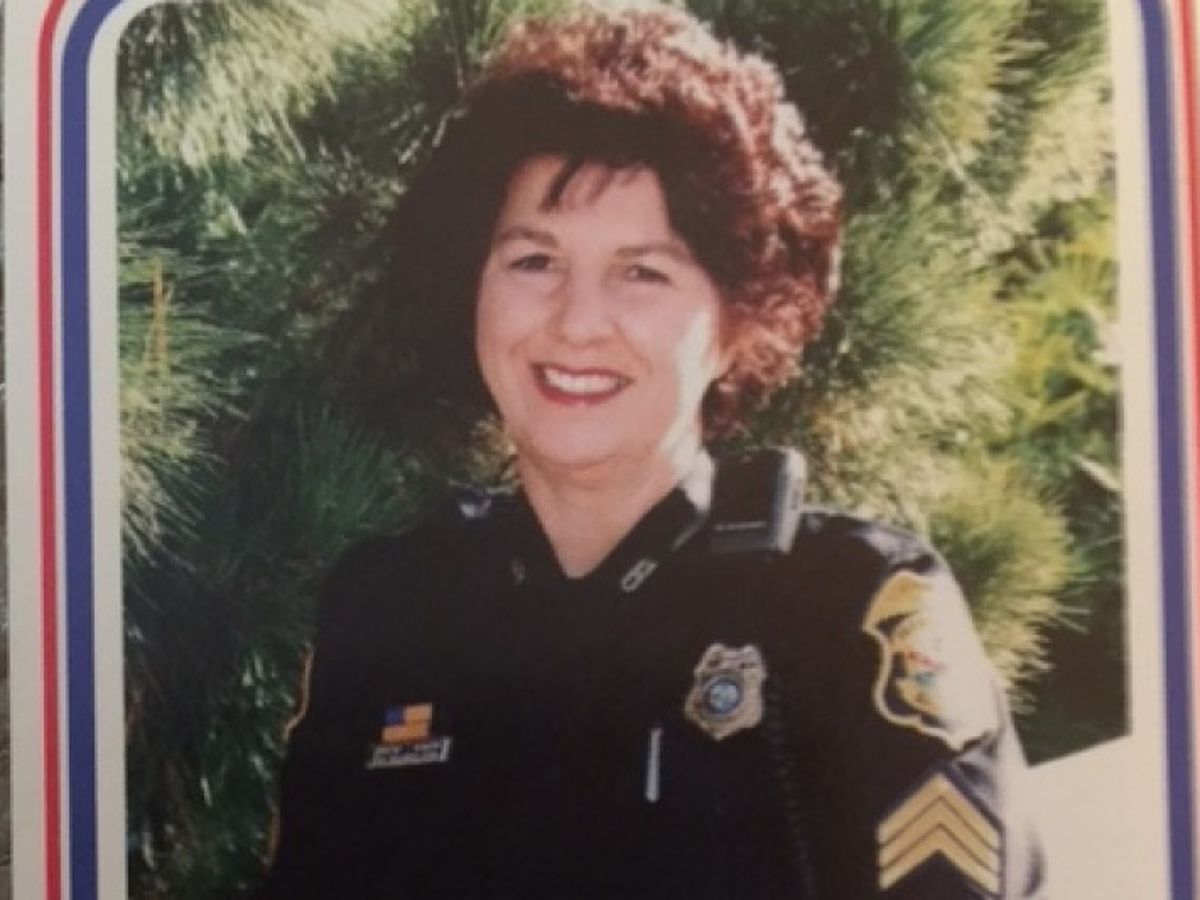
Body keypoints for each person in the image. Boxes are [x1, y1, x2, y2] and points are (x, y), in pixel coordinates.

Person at [260, 5, 1044, 898]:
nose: (576, 322)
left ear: (737, 322)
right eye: (533, 261)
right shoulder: (390, 613)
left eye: (642, 272)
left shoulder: (846, 611)